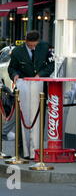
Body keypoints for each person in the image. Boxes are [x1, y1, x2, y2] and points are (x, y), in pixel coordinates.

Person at [8, 31, 54, 159]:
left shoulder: (45, 47)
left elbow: (51, 65)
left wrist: (41, 74)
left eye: (35, 45)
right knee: (24, 117)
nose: (33, 47)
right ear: (26, 41)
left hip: (39, 85)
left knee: (38, 116)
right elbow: (12, 68)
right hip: (24, 84)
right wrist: (15, 76)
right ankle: (26, 151)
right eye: (31, 45)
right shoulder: (18, 51)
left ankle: (37, 150)